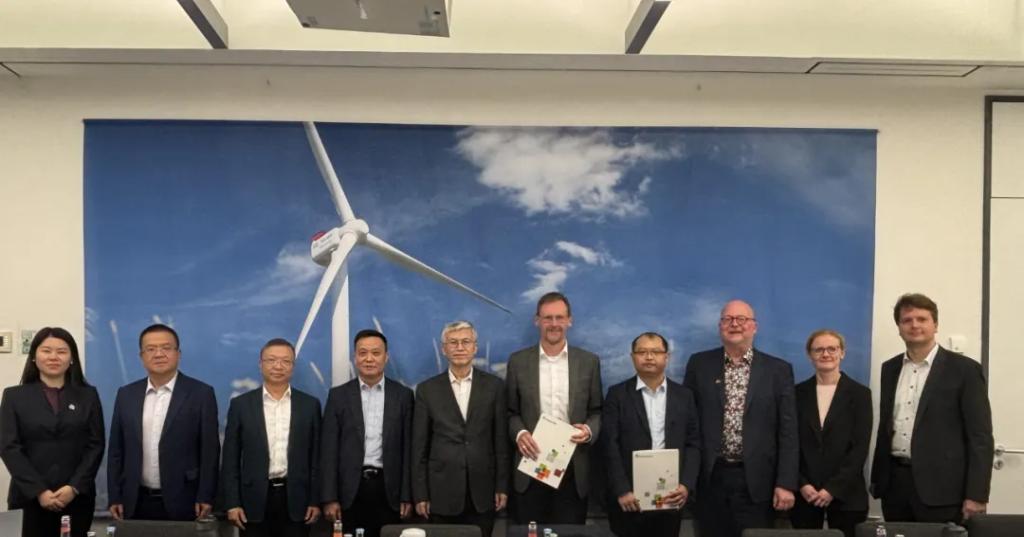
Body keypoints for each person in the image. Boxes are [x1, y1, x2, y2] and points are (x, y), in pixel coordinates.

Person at [870, 293, 994, 523]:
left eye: (922, 319)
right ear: (899, 328)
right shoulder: (890, 368)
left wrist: (976, 495)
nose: (914, 325)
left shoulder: (964, 370)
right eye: (907, 320)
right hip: (895, 487)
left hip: (943, 491)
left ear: (935, 325)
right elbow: (886, 427)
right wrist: (878, 481)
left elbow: (980, 437)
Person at [683, 299, 798, 537]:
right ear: (720, 327)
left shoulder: (778, 370)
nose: (734, 324)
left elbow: (788, 432)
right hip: (710, 478)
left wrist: (786, 483)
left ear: (754, 327)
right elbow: (688, 425)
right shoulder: (699, 364)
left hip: (757, 481)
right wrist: (686, 479)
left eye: (742, 319)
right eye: (728, 319)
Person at [506, 291, 603, 524]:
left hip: (572, 468)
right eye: (547, 318)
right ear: (537, 320)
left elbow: (597, 410)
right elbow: (510, 412)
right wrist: (520, 433)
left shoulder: (588, 362)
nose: (554, 324)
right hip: (531, 464)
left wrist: (589, 430)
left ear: (570, 321)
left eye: (559, 317)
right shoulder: (518, 362)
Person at [107, 323, 220, 521]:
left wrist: (205, 495)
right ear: (142, 356)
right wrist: (115, 495)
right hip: (135, 500)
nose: (158, 354)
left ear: (178, 354)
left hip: (186, 499)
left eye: (166, 348)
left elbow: (210, 451)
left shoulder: (201, 394)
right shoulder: (126, 394)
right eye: (151, 349)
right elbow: (116, 450)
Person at [0, 327, 105, 537]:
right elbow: (8, 447)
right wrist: (39, 491)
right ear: (34, 356)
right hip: (29, 498)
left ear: (72, 358)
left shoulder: (88, 396)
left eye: (61, 351)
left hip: (76, 499)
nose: (53, 357)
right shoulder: (13, 396)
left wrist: (74, 487)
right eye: (46, 351)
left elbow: (96, 444)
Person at [412, 321, 510, 537]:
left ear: (475, 347)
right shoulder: (427, 390)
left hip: (483, 491)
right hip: (441, 491)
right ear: (443, 349)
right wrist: (420, 494)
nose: (459, 347)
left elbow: (501, 442)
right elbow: (419, 447)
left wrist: (502, 486)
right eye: (453, 342)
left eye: (465, 342)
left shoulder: (494, 386)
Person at [601, 332, 700, 537]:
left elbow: (693, 444)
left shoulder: (684, 396)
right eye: (642, 352)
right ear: (632, 357)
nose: (649, 357)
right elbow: (609, 445)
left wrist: (686, 485)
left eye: (655, 351)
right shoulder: (617, 395)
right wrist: (622, 489)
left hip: (671, 495)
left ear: (666, 356)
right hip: (629, 499)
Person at [221, 338, 323, 536]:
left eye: (286, 361)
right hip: (253, 501)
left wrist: (314, 500)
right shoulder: (241, 405)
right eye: (272, 360)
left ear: (293, 366)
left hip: (297, 501)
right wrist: (232, 503)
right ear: (261, 364)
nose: (278, 366)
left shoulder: (309, 405)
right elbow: (230, 459)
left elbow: (316, 458)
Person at [321, 329, 413, 537]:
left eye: (376, 353)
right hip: (349, 492)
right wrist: (329, 497)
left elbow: (409, 449)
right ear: (355, 357)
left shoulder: (403, 396)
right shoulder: (338, 396)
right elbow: (328, 450)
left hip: (389, 491)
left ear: (386, 357)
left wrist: (407, 496)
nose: (369, 359)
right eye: (362, 353)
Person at [791, 329, 872, 537]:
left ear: (842, 353)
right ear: (810, 355)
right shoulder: (796, 394)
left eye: (832, 349)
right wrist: (802, 484)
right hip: (805, 495)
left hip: (847, 495)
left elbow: (860, 448)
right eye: (818, 350)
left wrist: (832, 489)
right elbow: (790, 443)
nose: (825, 354)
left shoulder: (860, 394)